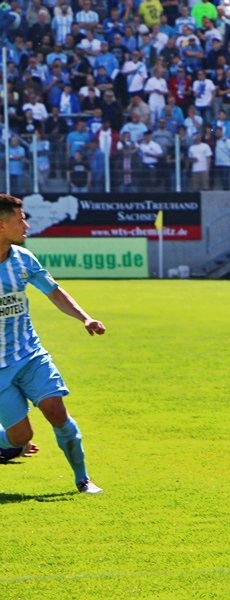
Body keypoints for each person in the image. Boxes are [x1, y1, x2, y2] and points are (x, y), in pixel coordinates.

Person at [0, 194, 105, 493]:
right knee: (20, 438)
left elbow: (54, 292)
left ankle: (83, 479)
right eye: (20, 220)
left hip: (30, 354)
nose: (26, 225)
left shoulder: (23, 259)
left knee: (57, 412)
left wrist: (85, 318)